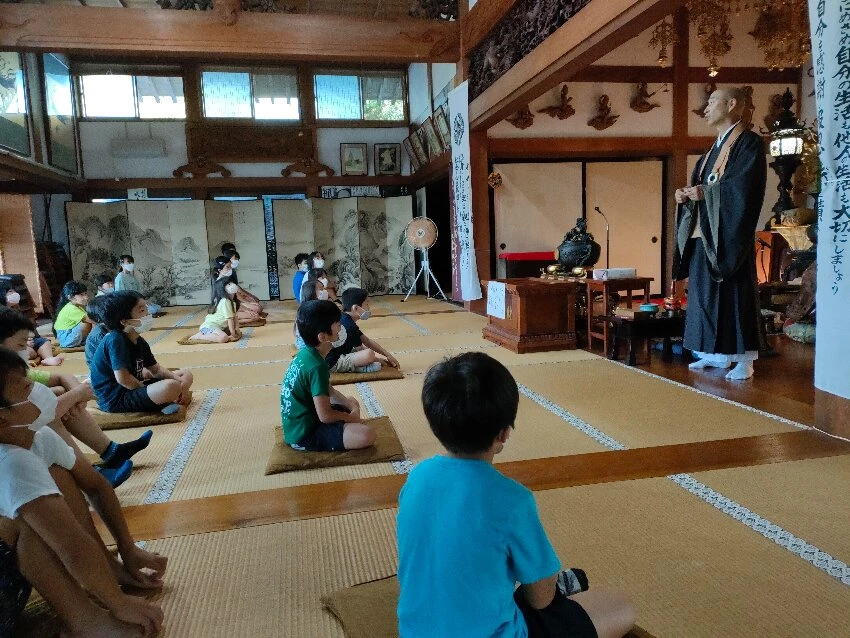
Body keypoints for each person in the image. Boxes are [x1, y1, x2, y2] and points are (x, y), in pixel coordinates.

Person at [397, 352, 635, 638]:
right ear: (504, 433)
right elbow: (541, 599)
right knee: (619, 607)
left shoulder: (416, 478)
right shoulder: (511, 499)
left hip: (414, 632)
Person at [0, 350, 166, 636]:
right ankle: (85, 621)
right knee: (29, 521)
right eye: (27, 388)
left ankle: (106, 570)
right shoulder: (10, 461)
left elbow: (96, 486)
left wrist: (126, 548)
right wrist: (117, 603)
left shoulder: (37, 438)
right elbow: (69, 543)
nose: (39, 390)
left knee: (57, 476)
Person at [674, 86, 767, 381]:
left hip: (728, 235)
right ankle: (714, 354)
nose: (706, 108)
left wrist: (707, 193)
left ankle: (744, 359)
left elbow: (743, 188)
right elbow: (706, 187)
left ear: (731, 104)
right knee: (703, 294)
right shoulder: (710, 151)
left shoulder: (748, 143)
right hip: (705, 232)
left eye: (712, 102)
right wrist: (686, 195)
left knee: (735, 294)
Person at [1, 306, 152, 487]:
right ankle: (89, 476)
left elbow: (62, 377)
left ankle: (109, 453)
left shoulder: (11, 368)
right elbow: (40, 413)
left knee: (58, 394)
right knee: (52, 406)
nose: (26, 350)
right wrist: (76, 395)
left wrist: (79, 396)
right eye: (21, 345)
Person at [280, 300, 375, 452]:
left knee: (350, 401)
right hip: (304, 435)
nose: (340, 326)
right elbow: (325, 416)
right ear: (323, 337)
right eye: (337, 323)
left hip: (302, 420)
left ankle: (347, 422)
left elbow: (328, 390)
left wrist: (351, 407)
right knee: (367, 435)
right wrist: (351, 417)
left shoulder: (307, 354)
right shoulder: (316, 366)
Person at [90, 292, 193, 414]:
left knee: (185, 375)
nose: (148, 314)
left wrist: (182, 386)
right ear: (124, 321)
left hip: (134, 387)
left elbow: (156, 370)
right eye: (142, 311)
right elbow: (123, 379)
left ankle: (167, 399)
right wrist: (146, 392)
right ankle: (162, 403)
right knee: (171, 386)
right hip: (117, 398)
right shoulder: (116, 339)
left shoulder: (138, 340)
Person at [326, 287, 400, 373]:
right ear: (356, 308)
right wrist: (378, 360)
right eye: (367, 304)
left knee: (366, 350)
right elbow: (361, 348)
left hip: (338, 353)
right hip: (333, 363)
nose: (368, 307)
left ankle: (361, 364)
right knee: (368, 354)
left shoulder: (344, 318)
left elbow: (367, 341)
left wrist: (387, 355)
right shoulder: (349, 326)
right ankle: (357, 368)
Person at [188, 278, 242, 344]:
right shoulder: (225, 301)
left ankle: (210, 334)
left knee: (228, 333)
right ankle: (198, 336)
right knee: (223, 338)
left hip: (218, 327)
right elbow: (230, 319)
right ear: (222, 289)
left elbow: (235, 317)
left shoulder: (233, 302)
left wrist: (237, 330)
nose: (232, 285)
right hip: (209, 326)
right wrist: (234, 334)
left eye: (232, 283)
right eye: (228, 284)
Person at [220, 250, 266, 322]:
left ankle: (234, 318)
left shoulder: (229, 274)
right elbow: (234, 296)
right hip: (228, 308)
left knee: (257, 307)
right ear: (220, 269)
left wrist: (248, 300)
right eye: (227, 267)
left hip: (234, 305)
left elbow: (236, 290)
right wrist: (246, 305)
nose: (229, 268)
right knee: (256, 311)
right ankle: (229, 321)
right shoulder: (220, 281)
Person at [53, 281, 93, 348]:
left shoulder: (77, 306)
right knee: (87, 323)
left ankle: (83, 340)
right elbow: (92, 320)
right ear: (70, 297)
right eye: (81, 295)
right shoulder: (71, 308)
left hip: (67, 335)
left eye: (85, 294)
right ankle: (84, 341)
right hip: (66, 339)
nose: (86, 297)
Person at [293, 280, 327, 351]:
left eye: (324, 289)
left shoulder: (312, 306)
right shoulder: (310, 310)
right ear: (311, 292)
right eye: (321, 289)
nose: (324, 291)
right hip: (308, 345)